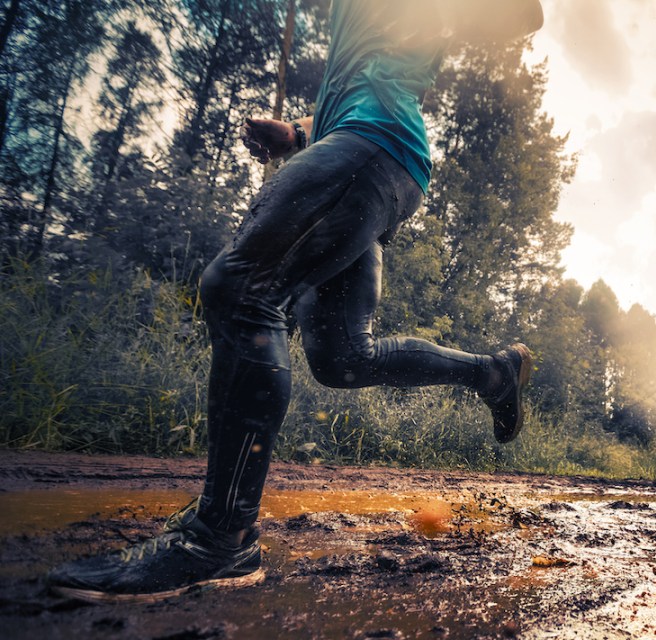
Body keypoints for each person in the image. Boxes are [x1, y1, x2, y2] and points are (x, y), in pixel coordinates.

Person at [46, 0, 545, 604]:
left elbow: (523, 13)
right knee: (341, 359)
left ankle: (220, 537)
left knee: (241, 289)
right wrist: (300, 136)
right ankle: (491, 374)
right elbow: (364, 74)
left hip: (375, 147)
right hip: (367, 153)